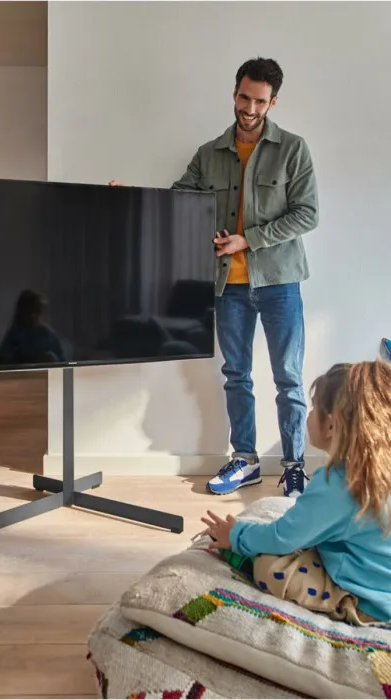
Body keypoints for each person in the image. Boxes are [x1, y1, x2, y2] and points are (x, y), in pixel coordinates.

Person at [112, 57, 319, 497]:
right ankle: (245, 459)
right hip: (228, 287)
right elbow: (178, 201)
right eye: (244, 97)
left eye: (260, 101)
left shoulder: (293, 149)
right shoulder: (209, 154)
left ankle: (294, 466)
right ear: (234, 92)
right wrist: (132, 199)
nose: (250, 108)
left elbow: (307, 214)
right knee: (236, 374)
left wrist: (249, 239)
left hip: (279, 282)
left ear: (273, 102)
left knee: (288, 376)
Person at [201, 360, 391, 626]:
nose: (308, 416)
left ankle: (346, 605)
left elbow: (282, 538)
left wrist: (236, 535)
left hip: (373, 602)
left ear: (331, 425)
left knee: (270, 566)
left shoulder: (336, 485)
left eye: (313, 408)